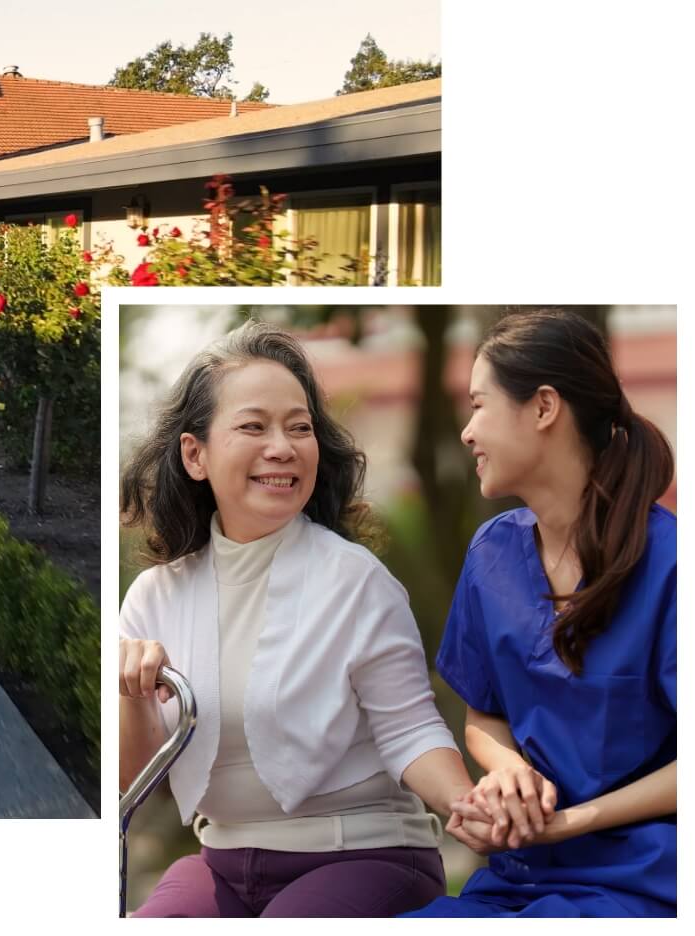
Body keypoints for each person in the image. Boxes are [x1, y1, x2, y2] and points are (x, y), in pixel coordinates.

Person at [119, 318, 486, 917]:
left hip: (367, 857)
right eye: (253, 426)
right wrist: (132, 694)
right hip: (222, 863)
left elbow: (409, 728)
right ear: (195, 454)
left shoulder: (357, 579)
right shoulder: (154, 597)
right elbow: (129, 781)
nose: (282, 446)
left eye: (300, 427)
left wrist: (465, 804)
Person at [399, 309, 676, 918]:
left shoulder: (671, 564)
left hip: (647, 884)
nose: (468, 432)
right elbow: (483, 712)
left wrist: (569, 822)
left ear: (544, 407)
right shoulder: (491, 551)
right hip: (517, 876)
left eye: (479, 405)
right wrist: (507, 775)